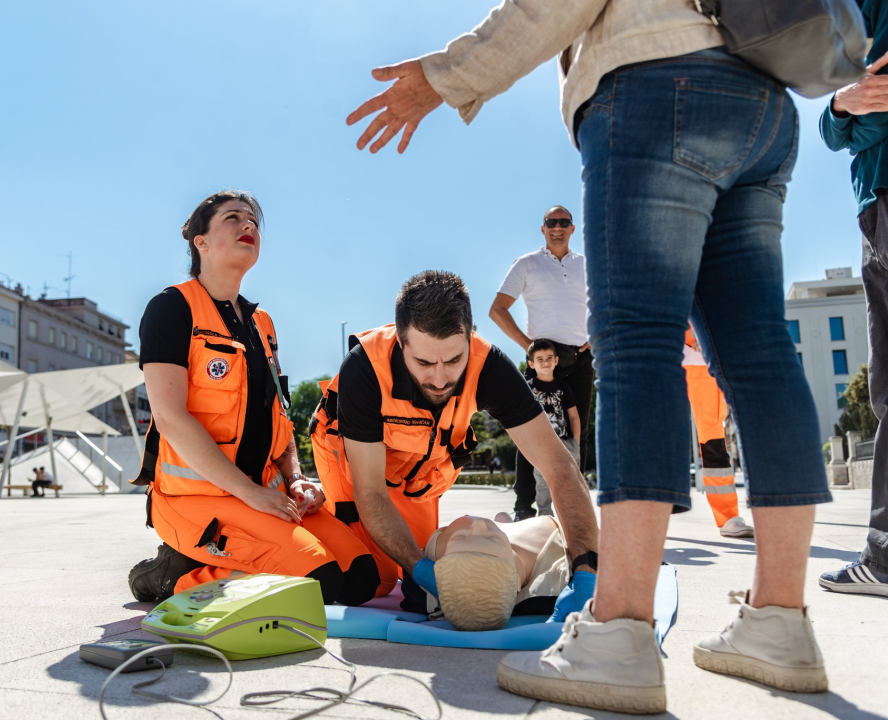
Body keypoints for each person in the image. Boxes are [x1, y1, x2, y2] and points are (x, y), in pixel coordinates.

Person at [347, 0, 831, 711]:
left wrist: (445, 77)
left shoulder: (483, 358)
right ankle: (779, 622)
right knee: (759, 352)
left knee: (636, 348)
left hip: (656, 87)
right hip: (764, 105)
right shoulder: (384, 361)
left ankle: (619, 635)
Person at [127, 190, 380, 607]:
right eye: (233, 218)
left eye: (253, 221)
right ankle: (177, 575)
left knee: (365, 578)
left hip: (263, 495)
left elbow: (278, 417)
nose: (248, 225)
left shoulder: (262, 324)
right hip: (195, 500)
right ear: (201, 241)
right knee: (320, 583)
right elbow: (170, 417)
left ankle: (229, 555)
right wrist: (249, 492)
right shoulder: (172, 307)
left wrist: (296, 479)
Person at [309, 270, 599, 621]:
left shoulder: (490, 367)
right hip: (355, 461)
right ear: (401, 343)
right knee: (373, 578)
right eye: (424, 362)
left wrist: (587, 570)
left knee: (431, 558)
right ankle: (303, 514)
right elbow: (370, 491)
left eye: (454, 360)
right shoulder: (365, 369)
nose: (440, 379)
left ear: (469, 338)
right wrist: (419, 569)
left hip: (414, 470)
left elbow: (558, 465)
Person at [819, 0, 888, 597]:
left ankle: (886, 559)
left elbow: (868, 111)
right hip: (875, 203)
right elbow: (834, 121)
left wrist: (846, 115)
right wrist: (843, 106)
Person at [489, 205, 592, 519]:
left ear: (572, 228)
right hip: (542, 361)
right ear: (543, 228)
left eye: (563, 222)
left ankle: (573, 508)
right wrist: (529, 347)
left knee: (577, 434)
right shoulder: (527, 263)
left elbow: (608, 303)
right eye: (551, 222)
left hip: (580, 359)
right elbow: (497, 309)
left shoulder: (587, 265)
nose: (557, 227)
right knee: (530, 432)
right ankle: (524, 507)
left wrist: (595, 336)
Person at [425, 513, 569, 631]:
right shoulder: (558, 567)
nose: (478, 524)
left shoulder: (438, 550)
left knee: (500, 518)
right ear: (516, 581)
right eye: (492, 538)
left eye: (460, 536)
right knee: (501, 518)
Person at [684, 327, 754, 538]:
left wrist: (704, 333)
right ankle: (647, 509)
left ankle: (728, 516)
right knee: (654, 432)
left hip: (700, 360)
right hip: (659, 353)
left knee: (713, 439)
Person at [523, 340, 580, 518]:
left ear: (556, 361)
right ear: (531, 364)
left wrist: (576, 443)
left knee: (570, 481)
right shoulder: (528, 387)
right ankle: (545, 518)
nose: (545, 362)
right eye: (539, 359)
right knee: (542, 483)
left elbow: (574, 416)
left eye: (549, 358)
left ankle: (571, 517)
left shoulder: (563, 387)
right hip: (540, 445)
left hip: (564, 443)